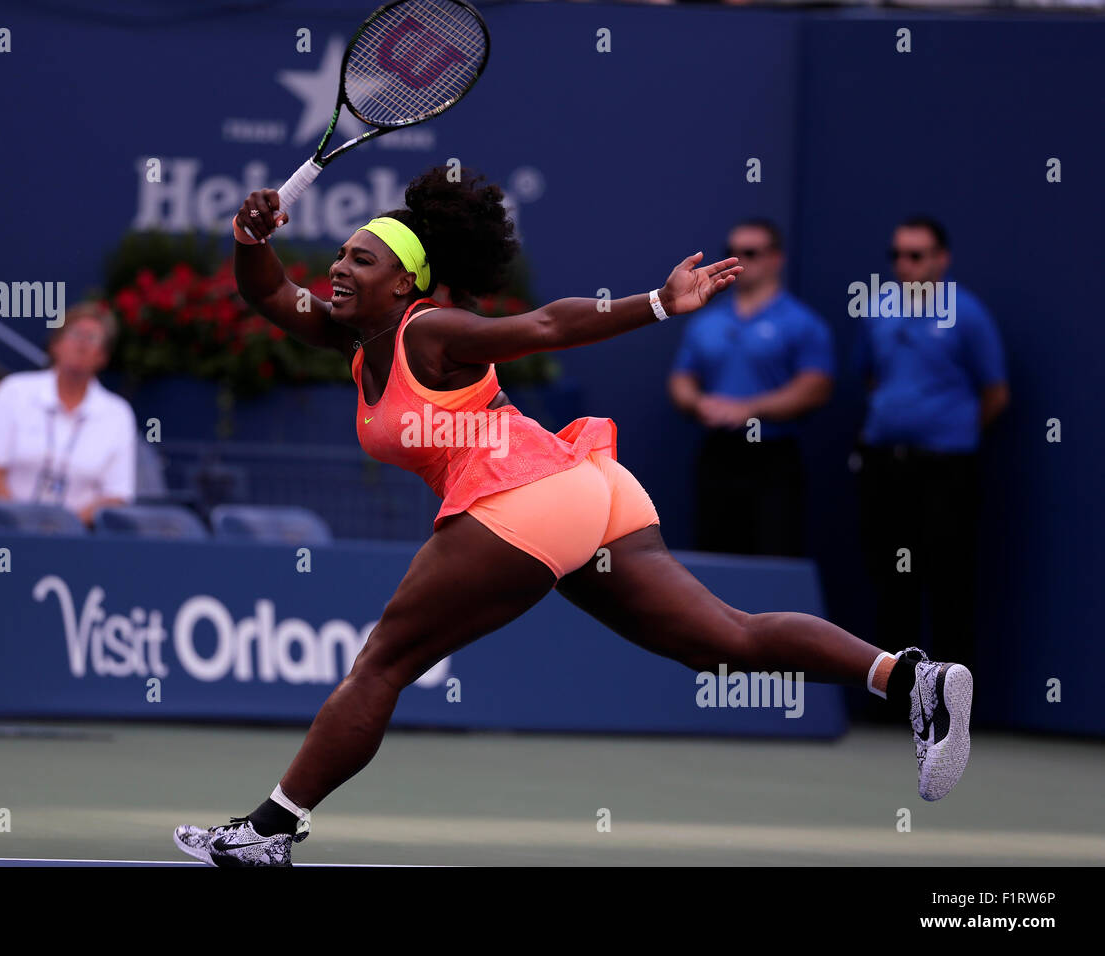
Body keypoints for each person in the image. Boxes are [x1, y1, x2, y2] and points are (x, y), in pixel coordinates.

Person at [172, 169, 974, 867]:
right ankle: (913, 679)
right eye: (341, 255)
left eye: (361, 260)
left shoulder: (432, 331)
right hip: (588, 488)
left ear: (407, 285)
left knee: (382, 662)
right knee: (723, 640)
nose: (340, 269)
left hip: (523, 493)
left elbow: (547, 326)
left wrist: (660, 302)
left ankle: (267, 833)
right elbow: (271, 293)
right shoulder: (356, 337)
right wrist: (250, 237)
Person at [856, 216, 1008, 668]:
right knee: (890, 576)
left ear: (942, 259)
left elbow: (995, 394)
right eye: (897, 255)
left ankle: (950, 698)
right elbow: (869, 378)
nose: (904, 265)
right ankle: (894, 694)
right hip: (885, 466)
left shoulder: (969, 314)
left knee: (949, 579)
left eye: (916, 255)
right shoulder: (877, 310)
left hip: (946, 471)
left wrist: (947, 432)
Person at [668, 219, 833, 556]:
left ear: (776, 259)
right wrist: (698, 403)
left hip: (773, 458)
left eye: (750, 253)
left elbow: (816, 386)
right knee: (714, 558)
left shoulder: (802, 322)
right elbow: (682, 378)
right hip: (717, 453)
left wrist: (750, 409)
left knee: (774, 557)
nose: (738, 261)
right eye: (731, 252)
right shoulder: (706, 321)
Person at [0, 304, 136, 526]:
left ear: (103, 356)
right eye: (76, 334)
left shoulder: (118, 413)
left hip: (80, 539)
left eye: (93, 338)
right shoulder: (15, 390)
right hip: (5, 529)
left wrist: (64, 527)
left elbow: (116, 494)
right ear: (55, 344)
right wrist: (20, 522)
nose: (82, 345)